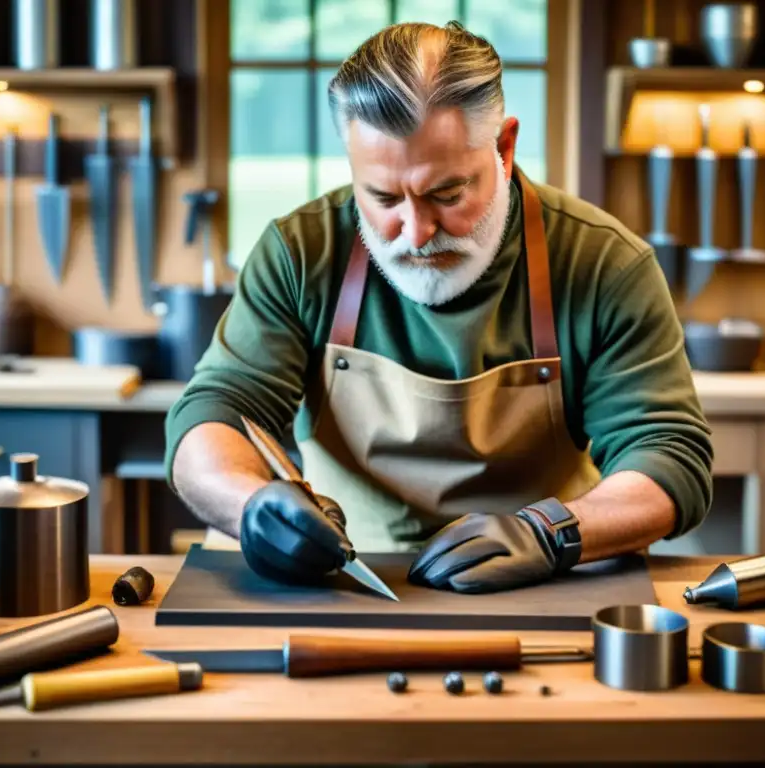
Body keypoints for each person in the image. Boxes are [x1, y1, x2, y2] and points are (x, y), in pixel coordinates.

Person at [163, 20, 714, 594]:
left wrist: (551, 534)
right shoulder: (302, 252)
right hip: (340, 587)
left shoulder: (603, 263)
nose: (417, 233)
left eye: (447, 195)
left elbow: (667, 455)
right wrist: (251, 506)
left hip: (546, 588)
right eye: (382, 198)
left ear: (504, 148)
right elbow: (213, 413)